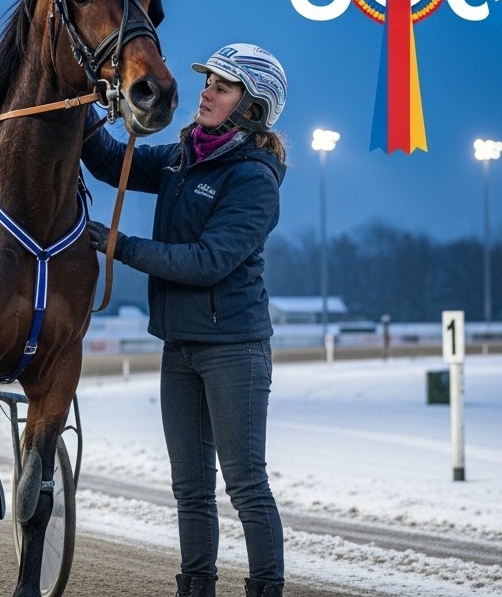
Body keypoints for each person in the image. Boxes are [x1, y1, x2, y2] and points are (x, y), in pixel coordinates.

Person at [81, 43, 288, 597]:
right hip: (180, 346)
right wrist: (78, 95)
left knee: (245, 485)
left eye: (223, 87)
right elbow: (106, 161)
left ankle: (267, 587)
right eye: (209, 82)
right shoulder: (181, 156)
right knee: (190, 488)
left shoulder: (253, 179)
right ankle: (196, 587)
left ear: (252, 108)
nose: (207, 92)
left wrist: (115, 244)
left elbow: (207, 262)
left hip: (234, 350)